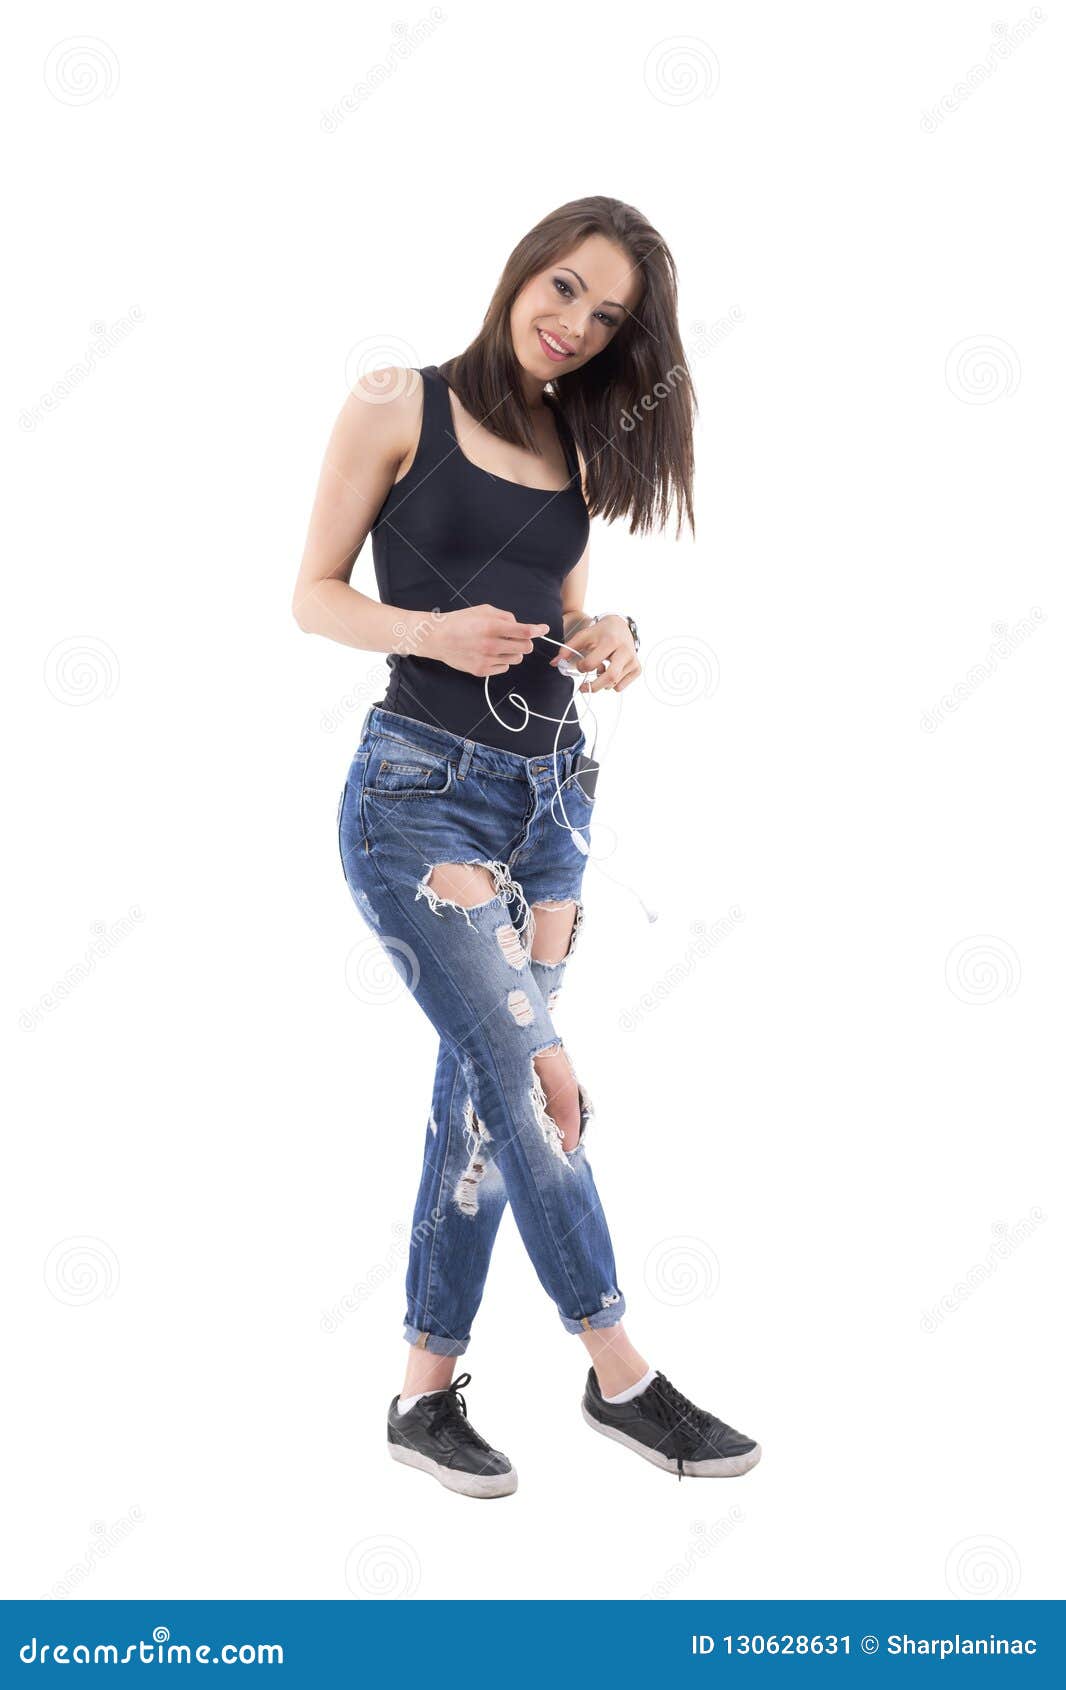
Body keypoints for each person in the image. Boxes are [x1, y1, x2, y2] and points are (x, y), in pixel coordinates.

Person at [292, 195, 761, 1496]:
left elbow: (561, 609)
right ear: (520, 272)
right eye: (563, 289)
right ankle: (620, 1369)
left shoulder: (569, 440)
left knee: (486, 1103)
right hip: (418, 801)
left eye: (604, 318)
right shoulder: (399, 400)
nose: (572, 325)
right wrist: (428, 634)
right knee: (535, 1082)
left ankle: (422, 1392)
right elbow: (312, 593)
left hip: (551, 801)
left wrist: (613, 638)